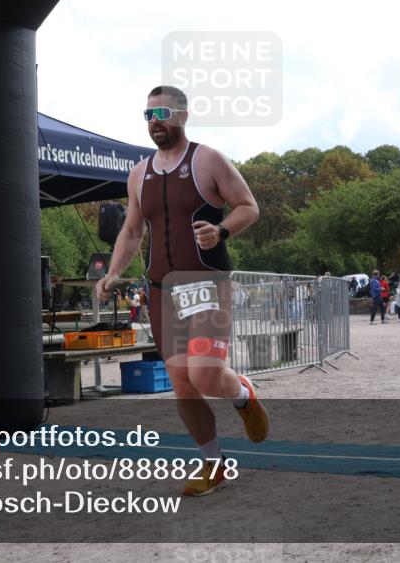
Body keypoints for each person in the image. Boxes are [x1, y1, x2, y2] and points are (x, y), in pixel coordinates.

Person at [94, 85, 265, 497]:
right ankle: (212, 463)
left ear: (184, 115)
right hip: (161, 292)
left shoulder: (208, 160)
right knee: (182, 383)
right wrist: (113, 272)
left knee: (204, 374)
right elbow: (132, 230)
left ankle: (243, 394)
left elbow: (248, 206)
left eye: (163, 114)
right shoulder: (139, 174)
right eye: (148, 116)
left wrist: (222, 230)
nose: (156, 123)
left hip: (207, 283)